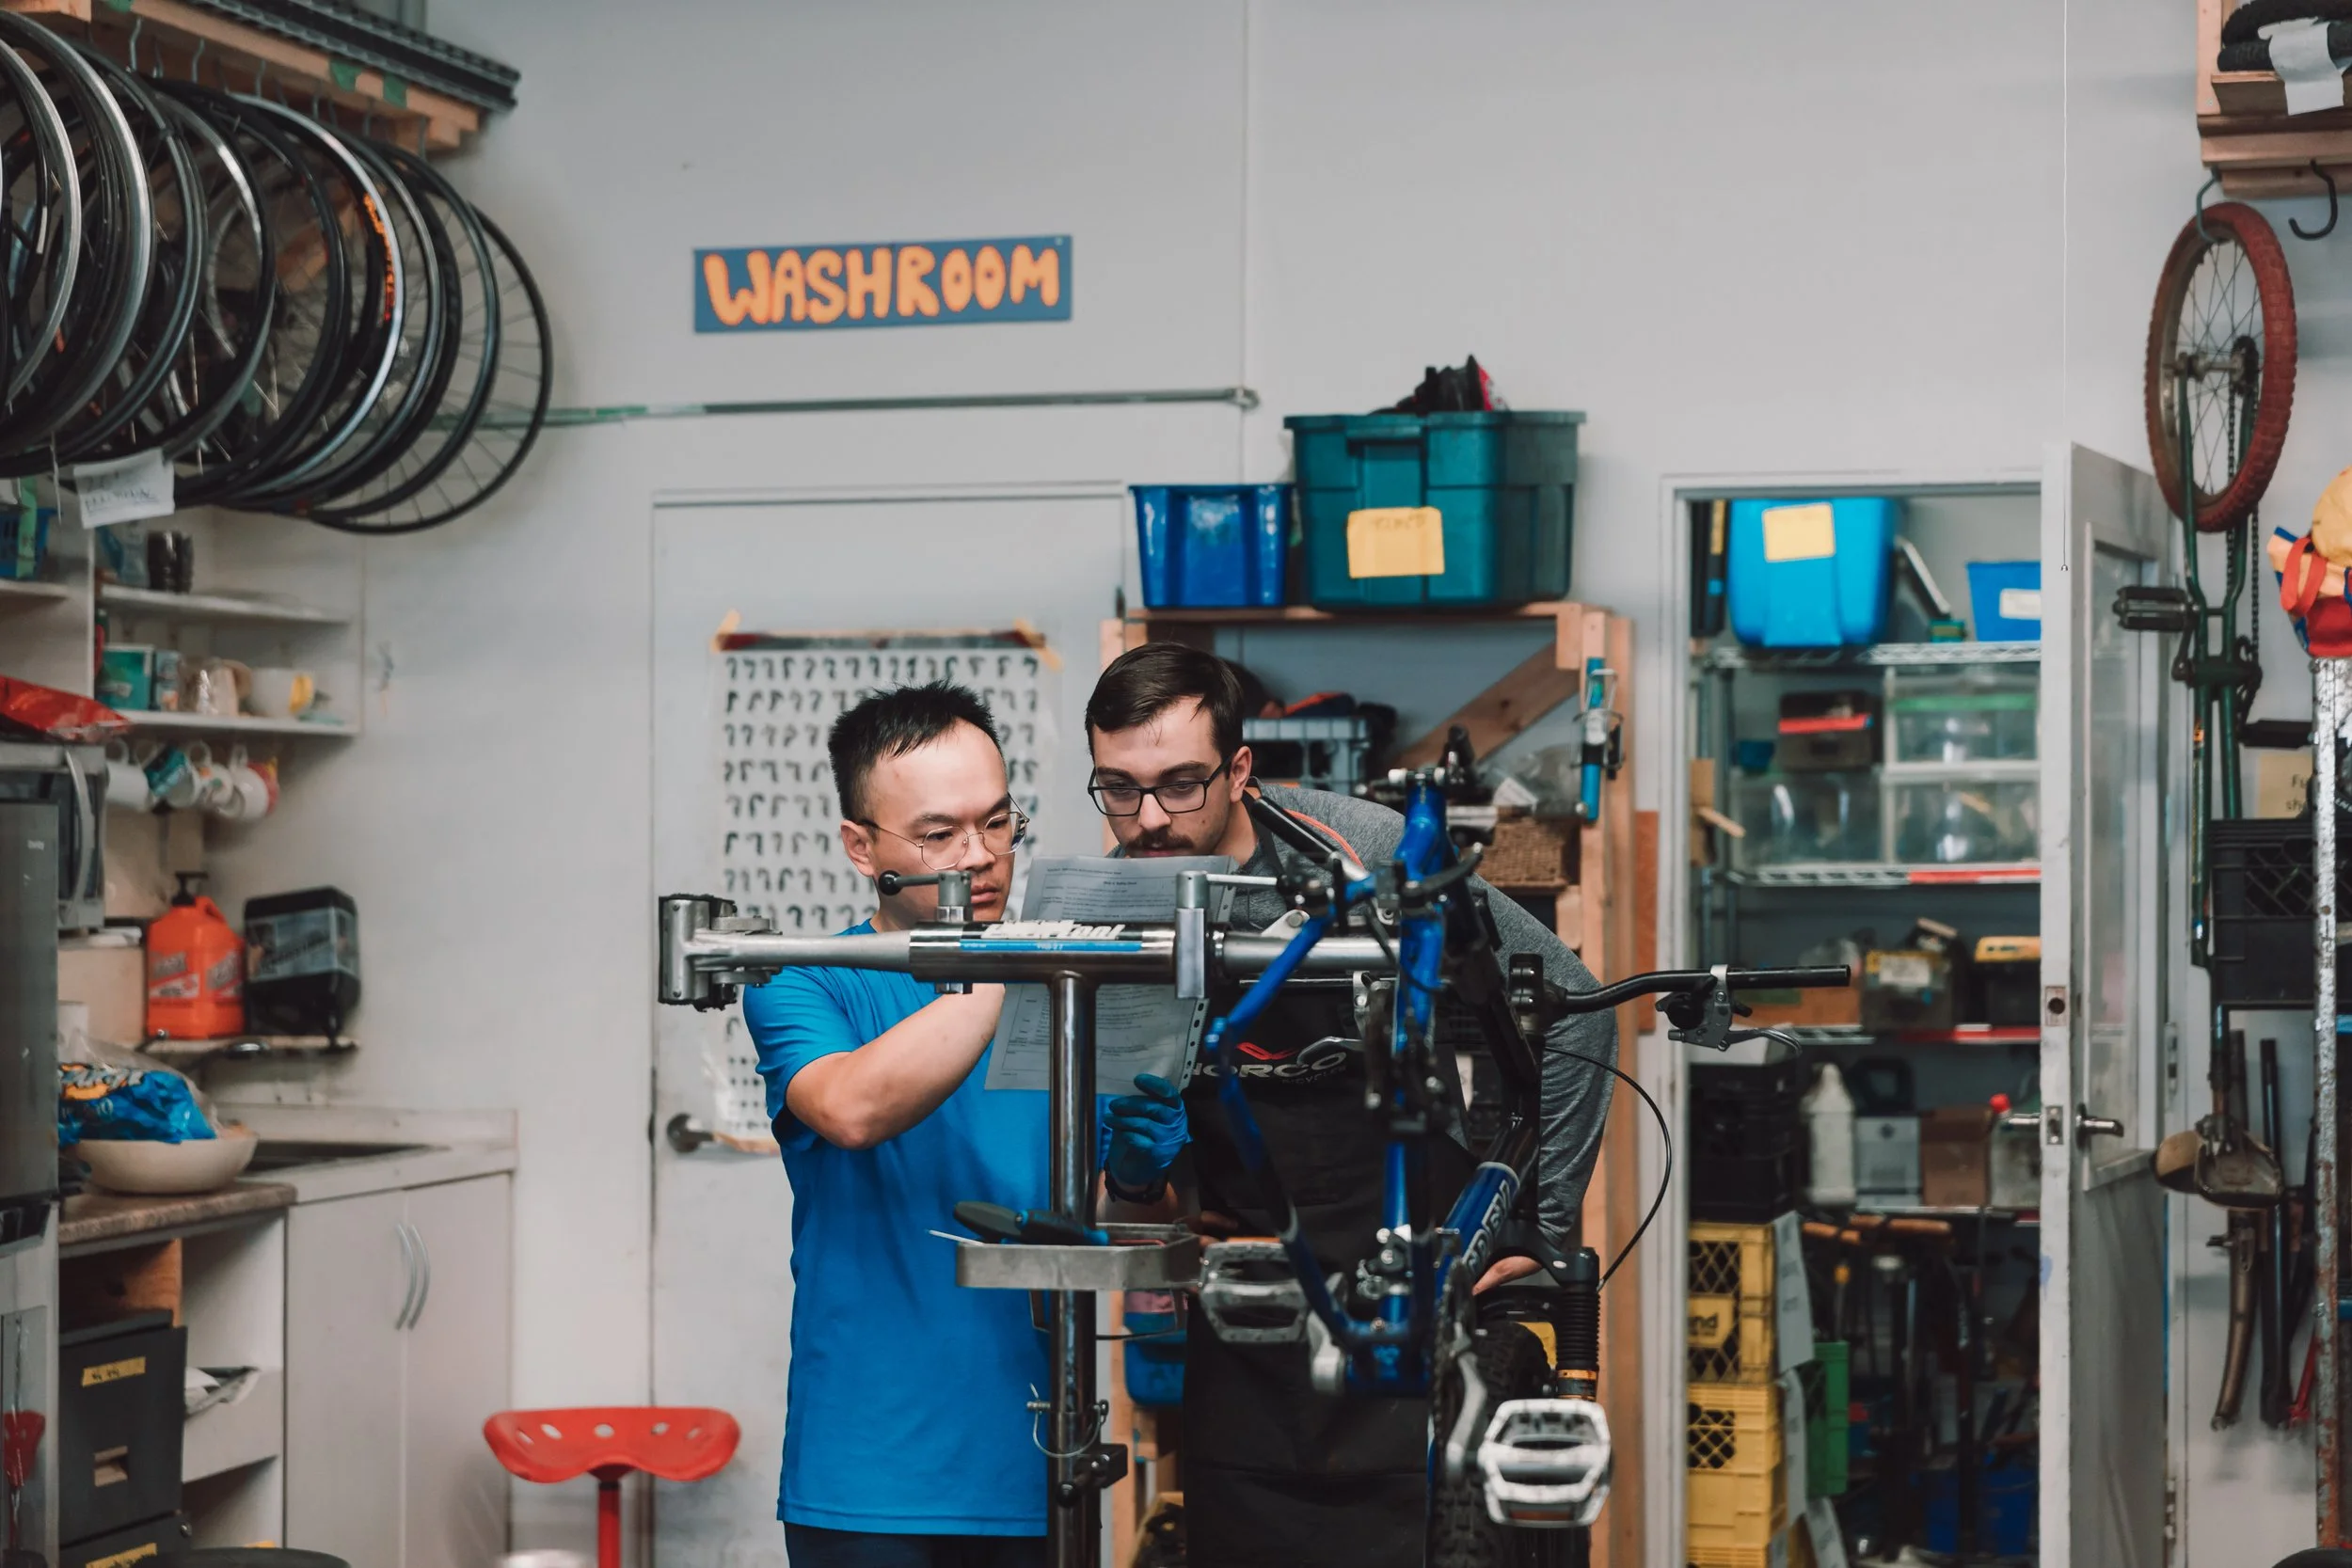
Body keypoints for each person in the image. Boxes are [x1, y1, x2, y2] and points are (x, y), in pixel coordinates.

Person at [1088, 643, 1616, 1568]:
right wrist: (1139, 1183)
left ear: (1239, 769)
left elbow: (1575, 1008)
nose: (1151, 819)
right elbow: (1134, 1205)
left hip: (1417, 1313)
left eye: (1179, 784)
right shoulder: (1111, 912)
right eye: (1120, 790)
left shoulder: (1363, 852)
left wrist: (1542, 1218)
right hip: (1248, 1335)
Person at [739, 681, 1046, 1568]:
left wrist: (1142, 1175)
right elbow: (851, 1108)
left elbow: (1103, 1210)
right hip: (869, 1470)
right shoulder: (806, 980)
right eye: (940, 834)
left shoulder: (1064, 989)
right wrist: (1009, 965)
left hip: (1033, 1456)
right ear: (861, 845)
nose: (980, 857)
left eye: (998, 822)